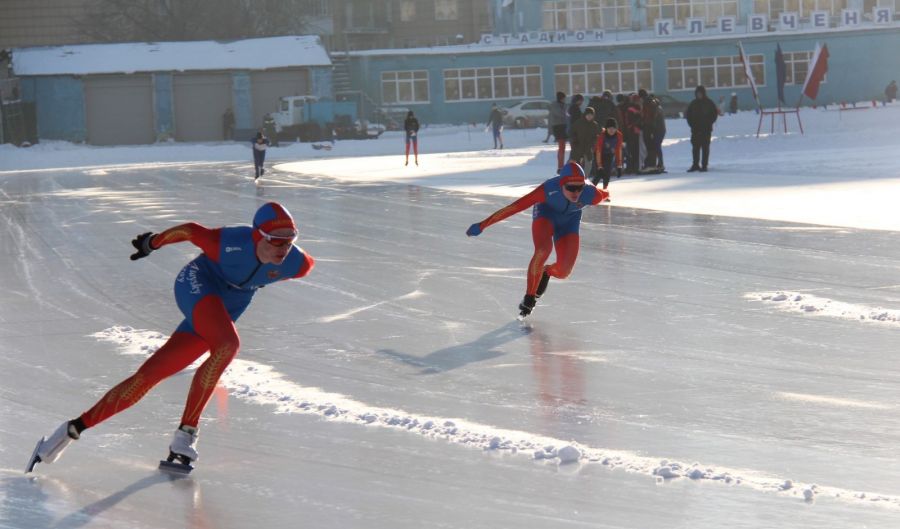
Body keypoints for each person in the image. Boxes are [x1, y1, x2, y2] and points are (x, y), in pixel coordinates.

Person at [27, 202, 315, 473]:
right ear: (256, 236)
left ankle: (69, 430)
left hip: (226, 306)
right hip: (198, 285)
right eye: (276, 240)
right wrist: (152, 242)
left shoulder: (297, 264)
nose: (284, 248)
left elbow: (291, 262)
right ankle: (186, 435)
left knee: (150, 376)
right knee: (228, 345)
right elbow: (190, 230)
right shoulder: (228, 242)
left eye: (290, 239)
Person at [465, 162, 610, 318]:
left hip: (569, 224)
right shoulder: (547, 190)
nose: (576, 192)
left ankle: (545, 272)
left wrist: (607, 193)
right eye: (570, 188)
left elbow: (605, 193)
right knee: (543, 250)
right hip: (545, 216)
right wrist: (483, 225)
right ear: (561, 184)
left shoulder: (591, 194)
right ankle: (529, 297)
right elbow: (515, 207)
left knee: (563, 271)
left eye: (579, 187)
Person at [685, 85, 719, 172]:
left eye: (700, 93)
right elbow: (688, 115)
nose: (699, 95)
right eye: (697, 93)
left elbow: (714, 114)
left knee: (705, 148)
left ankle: (704, 165)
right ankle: (695, 164)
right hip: (695, 130)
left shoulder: (709, 103)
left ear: (703, 93)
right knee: (695, 148)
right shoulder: (693, 103)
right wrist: (692, 125)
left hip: (706, 130)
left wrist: (708, 123)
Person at [569, 106, 600, 176]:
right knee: (573, 163)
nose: (589, 117)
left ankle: (584, 177)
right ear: (585, 115)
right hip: (577, 146)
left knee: (589, 163)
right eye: (588, 115)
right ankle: (570, 175)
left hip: (588, 147)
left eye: (591, 115)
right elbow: (571, 132)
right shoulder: (578, 123)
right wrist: (574, 140)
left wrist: (593, 143)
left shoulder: (594, 125)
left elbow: (596, 136)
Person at [593, 117, 623, 190]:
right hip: (599, 154)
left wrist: (619, 166)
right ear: (606, 128)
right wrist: (599, 166)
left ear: (616, 128)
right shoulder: (602, 136)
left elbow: (618, 150)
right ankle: (591, 189)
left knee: (607, 172)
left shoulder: (619, 135)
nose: (612, 130)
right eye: (609, 128)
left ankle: (605, 189)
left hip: (609, 154)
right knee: (599, 174)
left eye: (613, 128)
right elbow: (598, 151)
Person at [548, 91, 568, 170]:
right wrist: (566, 112)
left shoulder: (563, 105)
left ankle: (562, 165)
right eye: (563, 98)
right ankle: (560, 166)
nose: (564, 100)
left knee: (563, 147)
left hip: (564, 126)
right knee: (562, 147)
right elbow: (561, 114)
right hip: (558, 127)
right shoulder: (555, 106)